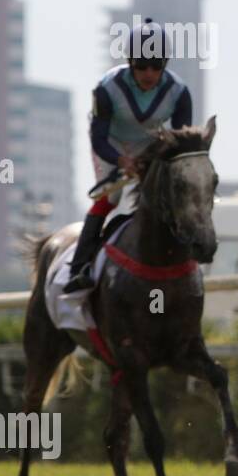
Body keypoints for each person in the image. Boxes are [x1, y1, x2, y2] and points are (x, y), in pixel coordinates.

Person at [62, 18, 193, 292]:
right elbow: (98, 138)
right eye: (141, 65)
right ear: (130, 62)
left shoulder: (179, 93)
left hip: (150, 147)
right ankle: (79, 268)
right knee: (112, 197)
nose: (148, 73)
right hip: (112, 146)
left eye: (156, 66)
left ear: (165, 64)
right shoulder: (107, 88)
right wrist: (122, 161)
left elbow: (180, 144)